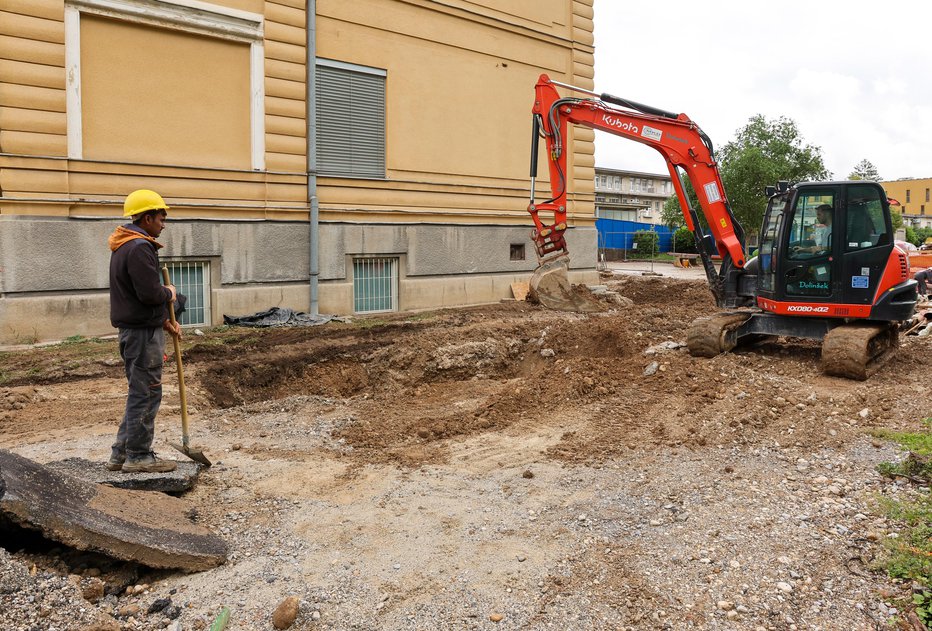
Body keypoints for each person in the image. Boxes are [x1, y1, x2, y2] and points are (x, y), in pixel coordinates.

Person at [107, 189, 182, 473]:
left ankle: (121, 453)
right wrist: (170, 293)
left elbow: (135, 297)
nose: (164, 223)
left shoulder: (125, 245)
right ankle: (138, 456)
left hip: (138, 329)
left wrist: (163, 320)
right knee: (147, 393)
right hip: (141, 336)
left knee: (139, 391)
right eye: (162, 217)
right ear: (148, 217)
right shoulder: (139, 247)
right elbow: (149, 293)